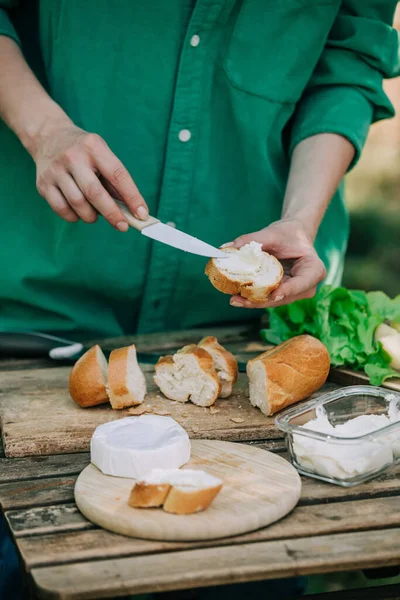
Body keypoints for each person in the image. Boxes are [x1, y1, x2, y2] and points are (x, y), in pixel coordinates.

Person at [0, 2, 398, 599]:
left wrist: (300, 218)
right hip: (41, 297)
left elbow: (348, 57)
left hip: (250, 326)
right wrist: (45, 129)